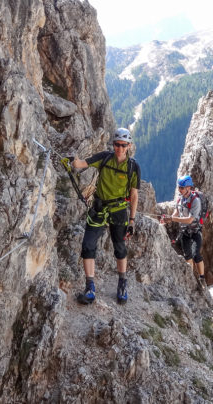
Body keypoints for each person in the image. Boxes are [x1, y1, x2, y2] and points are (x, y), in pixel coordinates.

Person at [64, 127, 141, 305]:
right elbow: (81, 164)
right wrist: (72, 159)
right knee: (87, 246)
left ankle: (122, 284)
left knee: (120, 248)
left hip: (119, 211)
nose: (119, 148)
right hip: (99, 208)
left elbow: (134, 194)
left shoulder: (133, 167)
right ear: (113, 144)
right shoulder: (104, 158)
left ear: (128, 146)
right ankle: (90, 288)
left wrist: (132, 220)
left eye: (123, 145)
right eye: (117, 144)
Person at [162, 175, 206, 287]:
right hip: (185, 232)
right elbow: (176, 212)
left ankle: (202, 278)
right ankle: (190, 278)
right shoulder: (180, 199)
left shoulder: (195, 201)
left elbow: (190, 220)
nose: (179, 190)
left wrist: (172, 219)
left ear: (188, 188)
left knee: (196, 255)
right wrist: (169, 219)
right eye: (179, 187)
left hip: (195, 231)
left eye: (182, 188)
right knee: (188, 256)